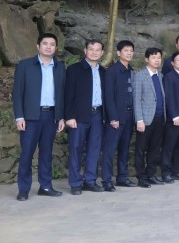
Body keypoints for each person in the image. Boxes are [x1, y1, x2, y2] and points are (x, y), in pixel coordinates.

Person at [13, 33, 66, 201]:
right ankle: (23, 189)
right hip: (30, 117)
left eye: (52, 44)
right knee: (27, 154)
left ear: (56, 48)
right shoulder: (25, 65)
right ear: (38, 46)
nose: (48, 47)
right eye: (45, 43)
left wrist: (61, 117)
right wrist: (19, 116)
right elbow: (17, 93)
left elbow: (62, 94)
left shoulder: (59, 67)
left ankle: (45, 186)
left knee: (46, 153)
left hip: (51, 116)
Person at [65, 39, 106, 195]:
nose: (94, 52)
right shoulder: (74, 70)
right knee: (76, 149)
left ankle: (90, 180)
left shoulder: (104, 72)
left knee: (94, 149)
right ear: (85, 51)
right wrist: (69, 116)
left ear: (102, 53)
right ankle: (75, 183)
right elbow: (68, 94)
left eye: (97, 50)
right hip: (79, 115)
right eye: (91, 49)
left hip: (98, 114)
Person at [101, 40, 136, 192]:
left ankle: (122, 177)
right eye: (126, 50)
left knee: (124, 149)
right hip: (116, 118)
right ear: (118, 53)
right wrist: (113, 117)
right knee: (109, 150)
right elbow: (108, 96)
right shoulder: (112, 71)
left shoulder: (131, 71)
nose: (129, 53)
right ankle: (106, 180)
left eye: (131, 51)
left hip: (129, 116)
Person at [132, 48, 167, 188]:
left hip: (159, 118)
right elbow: (136, 99)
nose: (157, 60)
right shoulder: (140, 76)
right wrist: (139, 120)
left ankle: (151, 174)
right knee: (141, 149)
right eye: (153, 57)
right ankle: (141, 177)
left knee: (154, 148)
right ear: (146, 59)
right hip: (145, 119)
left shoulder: (161, 75)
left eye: (159, 57)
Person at [163, 52, 179, 183]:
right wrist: (174, 115)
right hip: (175, 118)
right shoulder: (169, 77)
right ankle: (166, 172)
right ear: (172, 63)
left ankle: (177, 171)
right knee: (169, 146)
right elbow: (168, 97)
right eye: (178, 60)